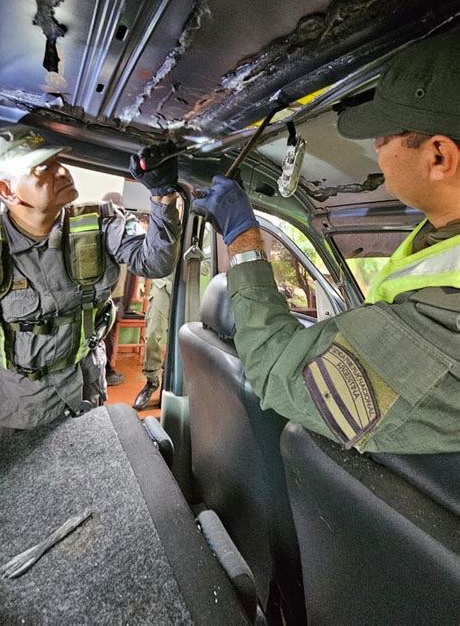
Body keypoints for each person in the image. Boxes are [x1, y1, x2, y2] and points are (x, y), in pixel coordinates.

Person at [193, 31, 460, 454]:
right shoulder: (438, 239)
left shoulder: (446, 316)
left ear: (439, 156)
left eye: (383, 135)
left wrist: (242, 236)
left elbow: (274, 370)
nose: (374, 147)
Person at [0, 127, 181, 439]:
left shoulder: (101, 221)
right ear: (6, 190)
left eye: (58, 161)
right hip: (11, 410)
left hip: (84, 395)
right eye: (43, 168)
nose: (62, 171)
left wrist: (161, 194)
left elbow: (155, 263)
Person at [133, 273, 173, 410]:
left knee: (180, 338)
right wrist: (142, 280)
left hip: (187, 285)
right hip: (161, 284)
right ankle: (152, 381)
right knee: (152, 335)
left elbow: (207, 263)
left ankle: (170, 381)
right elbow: (150, 252)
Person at [101, 192, 128, 387]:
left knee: (104, 333)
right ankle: (106, 372)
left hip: (113, 293)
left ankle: (104, 370)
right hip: (108, 293)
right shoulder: (117, 228)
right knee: (104, 334)